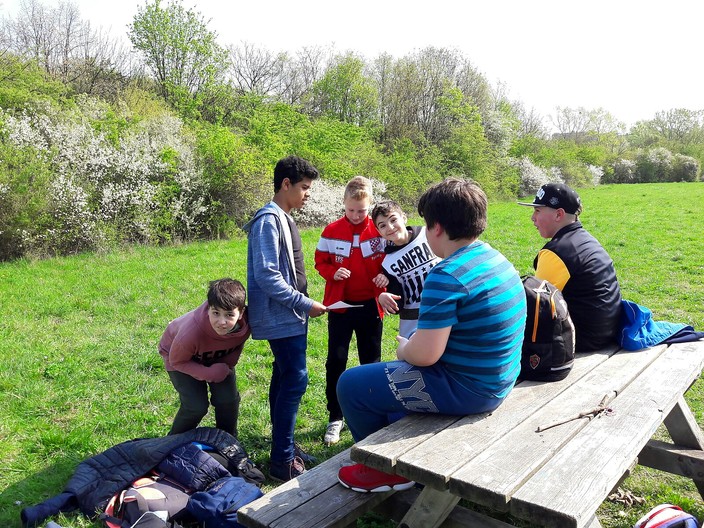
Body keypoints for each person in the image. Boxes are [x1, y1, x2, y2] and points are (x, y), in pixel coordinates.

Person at [336, 178, 526, 493]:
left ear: (436, 227)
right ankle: (401, 452)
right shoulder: (495, 258)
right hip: (499, 379)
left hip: (470, 388)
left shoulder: (446, 274)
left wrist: (404, 350)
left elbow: (425, 356)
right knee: (390, 400)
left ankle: (386, 469)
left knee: (352, 385)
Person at [243, 155, 328, 482]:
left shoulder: (283, 217)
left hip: (291, 317)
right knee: (295, 378)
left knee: (284, 376)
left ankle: (286, 448)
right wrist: (304, 303)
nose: (308, 194)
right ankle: (281, 460)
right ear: (286, 184)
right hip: (284, 317)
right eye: (304, 188)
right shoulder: (268, 220)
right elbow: (266, 275)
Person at [314, 176, 388, 446]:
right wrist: (334, 272)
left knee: (371, 361)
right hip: (341, 308)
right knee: (336, 360)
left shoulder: (380, 230)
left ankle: (372, 411)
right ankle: (335, 416)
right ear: (343, 204)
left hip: (371, 306)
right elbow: (320, 261)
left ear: (370, 207)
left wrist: (385, 277)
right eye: (351, 210)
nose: (356, 215)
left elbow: (391, 260)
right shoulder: (331, 230)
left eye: (362, 211)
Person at [518, 182, 622, 351]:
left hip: (581, 339)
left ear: (559, 214)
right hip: (606, 332)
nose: (533, 217)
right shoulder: (586, 239)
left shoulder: (556, 252)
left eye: (537, 210)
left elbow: (537, 306)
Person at [159, 278, 251, 437]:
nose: (222, 322)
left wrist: (228, 365)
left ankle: (227, 440)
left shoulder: (248, 324)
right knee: (196, 406)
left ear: (241, 313)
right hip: (180, 358)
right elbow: (177, 361)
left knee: (228, 400)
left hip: (215, 355)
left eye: (229, 315)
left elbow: (237, 343)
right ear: (208, 308)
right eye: (216, 313)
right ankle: (172, 443)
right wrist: (210, 374)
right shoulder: (190, 333)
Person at [371, 199, 442, 339]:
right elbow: (398, 302)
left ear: (403, 217)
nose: (390, 227)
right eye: (383, 225)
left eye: (393, 220)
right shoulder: (388, 263)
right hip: (414, 322)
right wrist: (384, 297)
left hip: (444, 307)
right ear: (378, 231)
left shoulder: (426, 234)